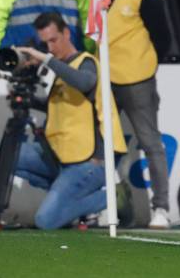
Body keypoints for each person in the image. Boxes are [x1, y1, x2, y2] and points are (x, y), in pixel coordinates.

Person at [91, 0, 172, 228]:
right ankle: (107, 207)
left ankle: (161, 209)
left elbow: (163, 38)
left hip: (137, 81)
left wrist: (145, 66)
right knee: (102, 146)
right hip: (104, 81)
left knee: (150, 143)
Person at [14, 12, 126, 229]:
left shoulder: (86, 63)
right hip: (62, 156)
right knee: (10, 157)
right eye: (44, 43)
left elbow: (84, 83)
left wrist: (46, 60)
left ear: (67, 33)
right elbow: (59, 108)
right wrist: (25, 100)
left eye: (53, 40)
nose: (50, 47)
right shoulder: (60, 69)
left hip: (91, 161)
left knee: (45, 221)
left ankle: (112, 198)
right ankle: (64, 199)